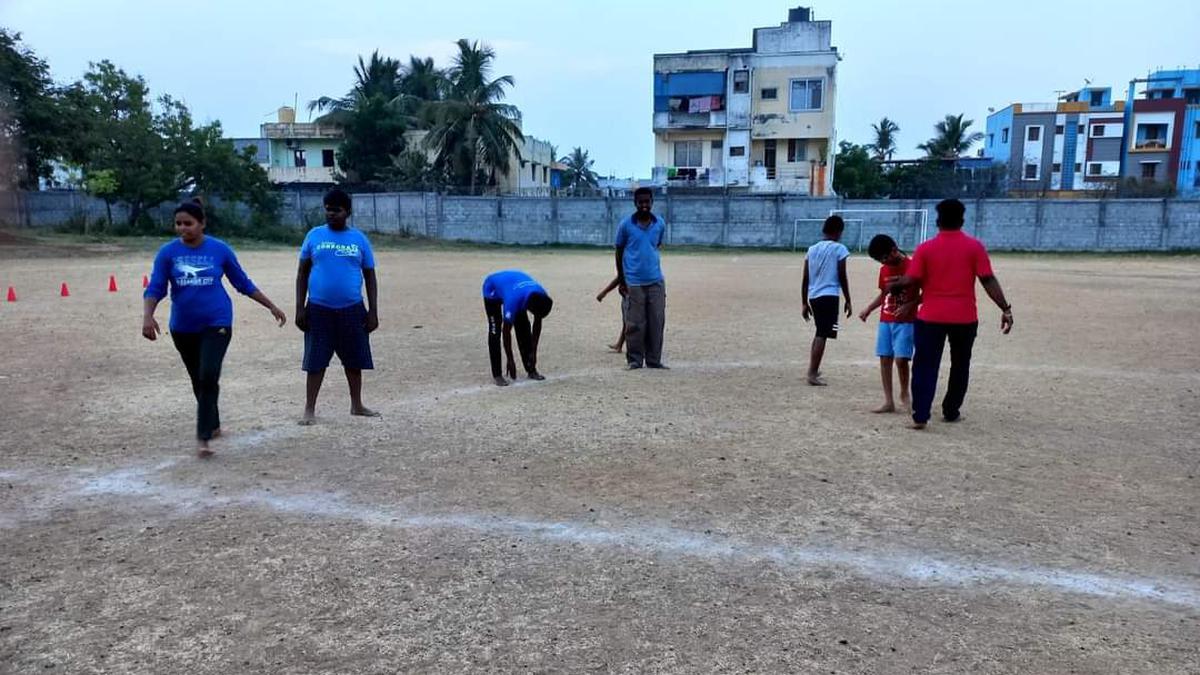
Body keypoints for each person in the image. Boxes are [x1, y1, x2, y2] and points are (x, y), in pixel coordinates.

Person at [142, 199, 288, 458]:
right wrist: (148, 316)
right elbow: (155, 287)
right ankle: (214, 422)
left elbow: (242, 283)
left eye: (188, 223)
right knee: (198, 379)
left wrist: (271, 306)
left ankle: (204, 437)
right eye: (178, 224)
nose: (182, 228)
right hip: (182, 327)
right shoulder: (167, 253)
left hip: (217, 322)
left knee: (208, 373)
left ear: (202, 223)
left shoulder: (219, 250)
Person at [889, 199, 1013, 430]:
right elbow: (987, 279)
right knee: (960, 365)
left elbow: (912, 279)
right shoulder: (974, 247)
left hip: (930, 318)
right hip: (964, 318)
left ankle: (920, 416)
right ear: (962, 220)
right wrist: (1005, 308)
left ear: (937, 221)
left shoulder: (925, 249)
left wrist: (895, 284)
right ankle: (951, 410)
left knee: (925, 365)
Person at [294, 188, 380, 425]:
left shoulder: (359, 240)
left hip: (352, 308)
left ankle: (357, 404)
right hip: (318, 309)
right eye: (328, 209)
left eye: (337, 210)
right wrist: (300, 308)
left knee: (353, 360)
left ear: (348, 212)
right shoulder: (314, 236)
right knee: (316, 361)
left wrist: (373, 312)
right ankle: (309, 409)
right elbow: (302, 273)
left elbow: (370, 277)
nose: (331, 214)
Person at [859, 234, 918, 413]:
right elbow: (884, 294)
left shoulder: (913, 266)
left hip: (906, 321)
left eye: (884, 258)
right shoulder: (884, 270)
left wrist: (911, 304)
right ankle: (888, 401)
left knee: (901, 360)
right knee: (885, 359)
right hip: (886, 320)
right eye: (879, 261)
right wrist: (869, 308)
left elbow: (927, 292)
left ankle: (905, 394)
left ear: (894, 250)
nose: (883, 263)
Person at [615, 187, 668, 370]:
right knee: (635, 324)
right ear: (635, 203)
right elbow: (619, 251)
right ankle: (635, 360)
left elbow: (657, 245)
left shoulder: (660, 224)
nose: (644, 205)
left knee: (656, 322)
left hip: (656, 281)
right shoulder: (626, 225)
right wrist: (622, 280)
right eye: (641, 202)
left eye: (647, 201)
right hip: (634, 283)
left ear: (652, 202)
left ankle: (654, 360)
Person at [800, 215, 853, 386]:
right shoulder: (839, 249)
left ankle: (813, 368)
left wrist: (804, 302)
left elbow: (805, 278)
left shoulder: (812, 249)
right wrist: (848, 299)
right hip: (829, 296)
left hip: (814, 296)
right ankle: (812, 373)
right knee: (823, 334)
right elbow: (842, 276)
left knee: (819, 332)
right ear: (838, 232)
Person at [482, 269, 553, 386]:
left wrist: (534, 353)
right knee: (495, 331)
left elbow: (537, 322)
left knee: (524, 328)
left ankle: (531, 369)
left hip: (516, 288)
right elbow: (506, 332)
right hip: (493, 289)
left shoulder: (542, 296)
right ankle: (497, 374)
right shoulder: (513, 300)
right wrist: (510, 360)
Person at [595, 275, 626, 353]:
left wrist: (604, 292)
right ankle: (619, 344)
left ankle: (622, 345)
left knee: (630, 322)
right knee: (627, 321)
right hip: (627, 292)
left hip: (630, 292)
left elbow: (620, 277)